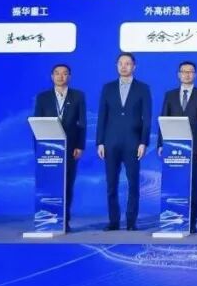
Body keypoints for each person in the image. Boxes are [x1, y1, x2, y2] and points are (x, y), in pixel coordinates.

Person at [96, 52, 151, 231]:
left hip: (133, 143)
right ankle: (113, 221)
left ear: (134, 66)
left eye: (128, 63)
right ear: (116, 66)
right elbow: (102, 117)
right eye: (120, 63)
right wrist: (100, 142)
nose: (124, 66)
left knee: (133, 183)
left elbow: (147, 118)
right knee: (111, 184)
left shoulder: (143, 88)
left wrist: (143, 142)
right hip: (110, 142)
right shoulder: (108, 88)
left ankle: (131, 221)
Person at [157, 61, 197, 233]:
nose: (187, 74)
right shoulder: (170, 95)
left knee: (192, 184)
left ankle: (191, 220)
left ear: (195, 75)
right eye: (184, 71)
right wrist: (161, 144)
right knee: (174, 183)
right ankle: (172, 218)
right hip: (172, 146)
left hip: (193, 146)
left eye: (190, 72)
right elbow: (163, 119)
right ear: (178, 74)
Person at [32, 63, 85, 232]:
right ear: (52, 76)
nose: (60, 76)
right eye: (57, 73)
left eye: (64, 73)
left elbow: (82, 124)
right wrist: (38, 147)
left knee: (67, 185)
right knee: (49, 184)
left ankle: (64, 221)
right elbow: (37, 122)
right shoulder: (43, 97)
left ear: (69, 76)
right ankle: (47, 219)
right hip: (48, 149)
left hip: (70, 148)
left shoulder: (78, 96)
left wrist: (80, 146)